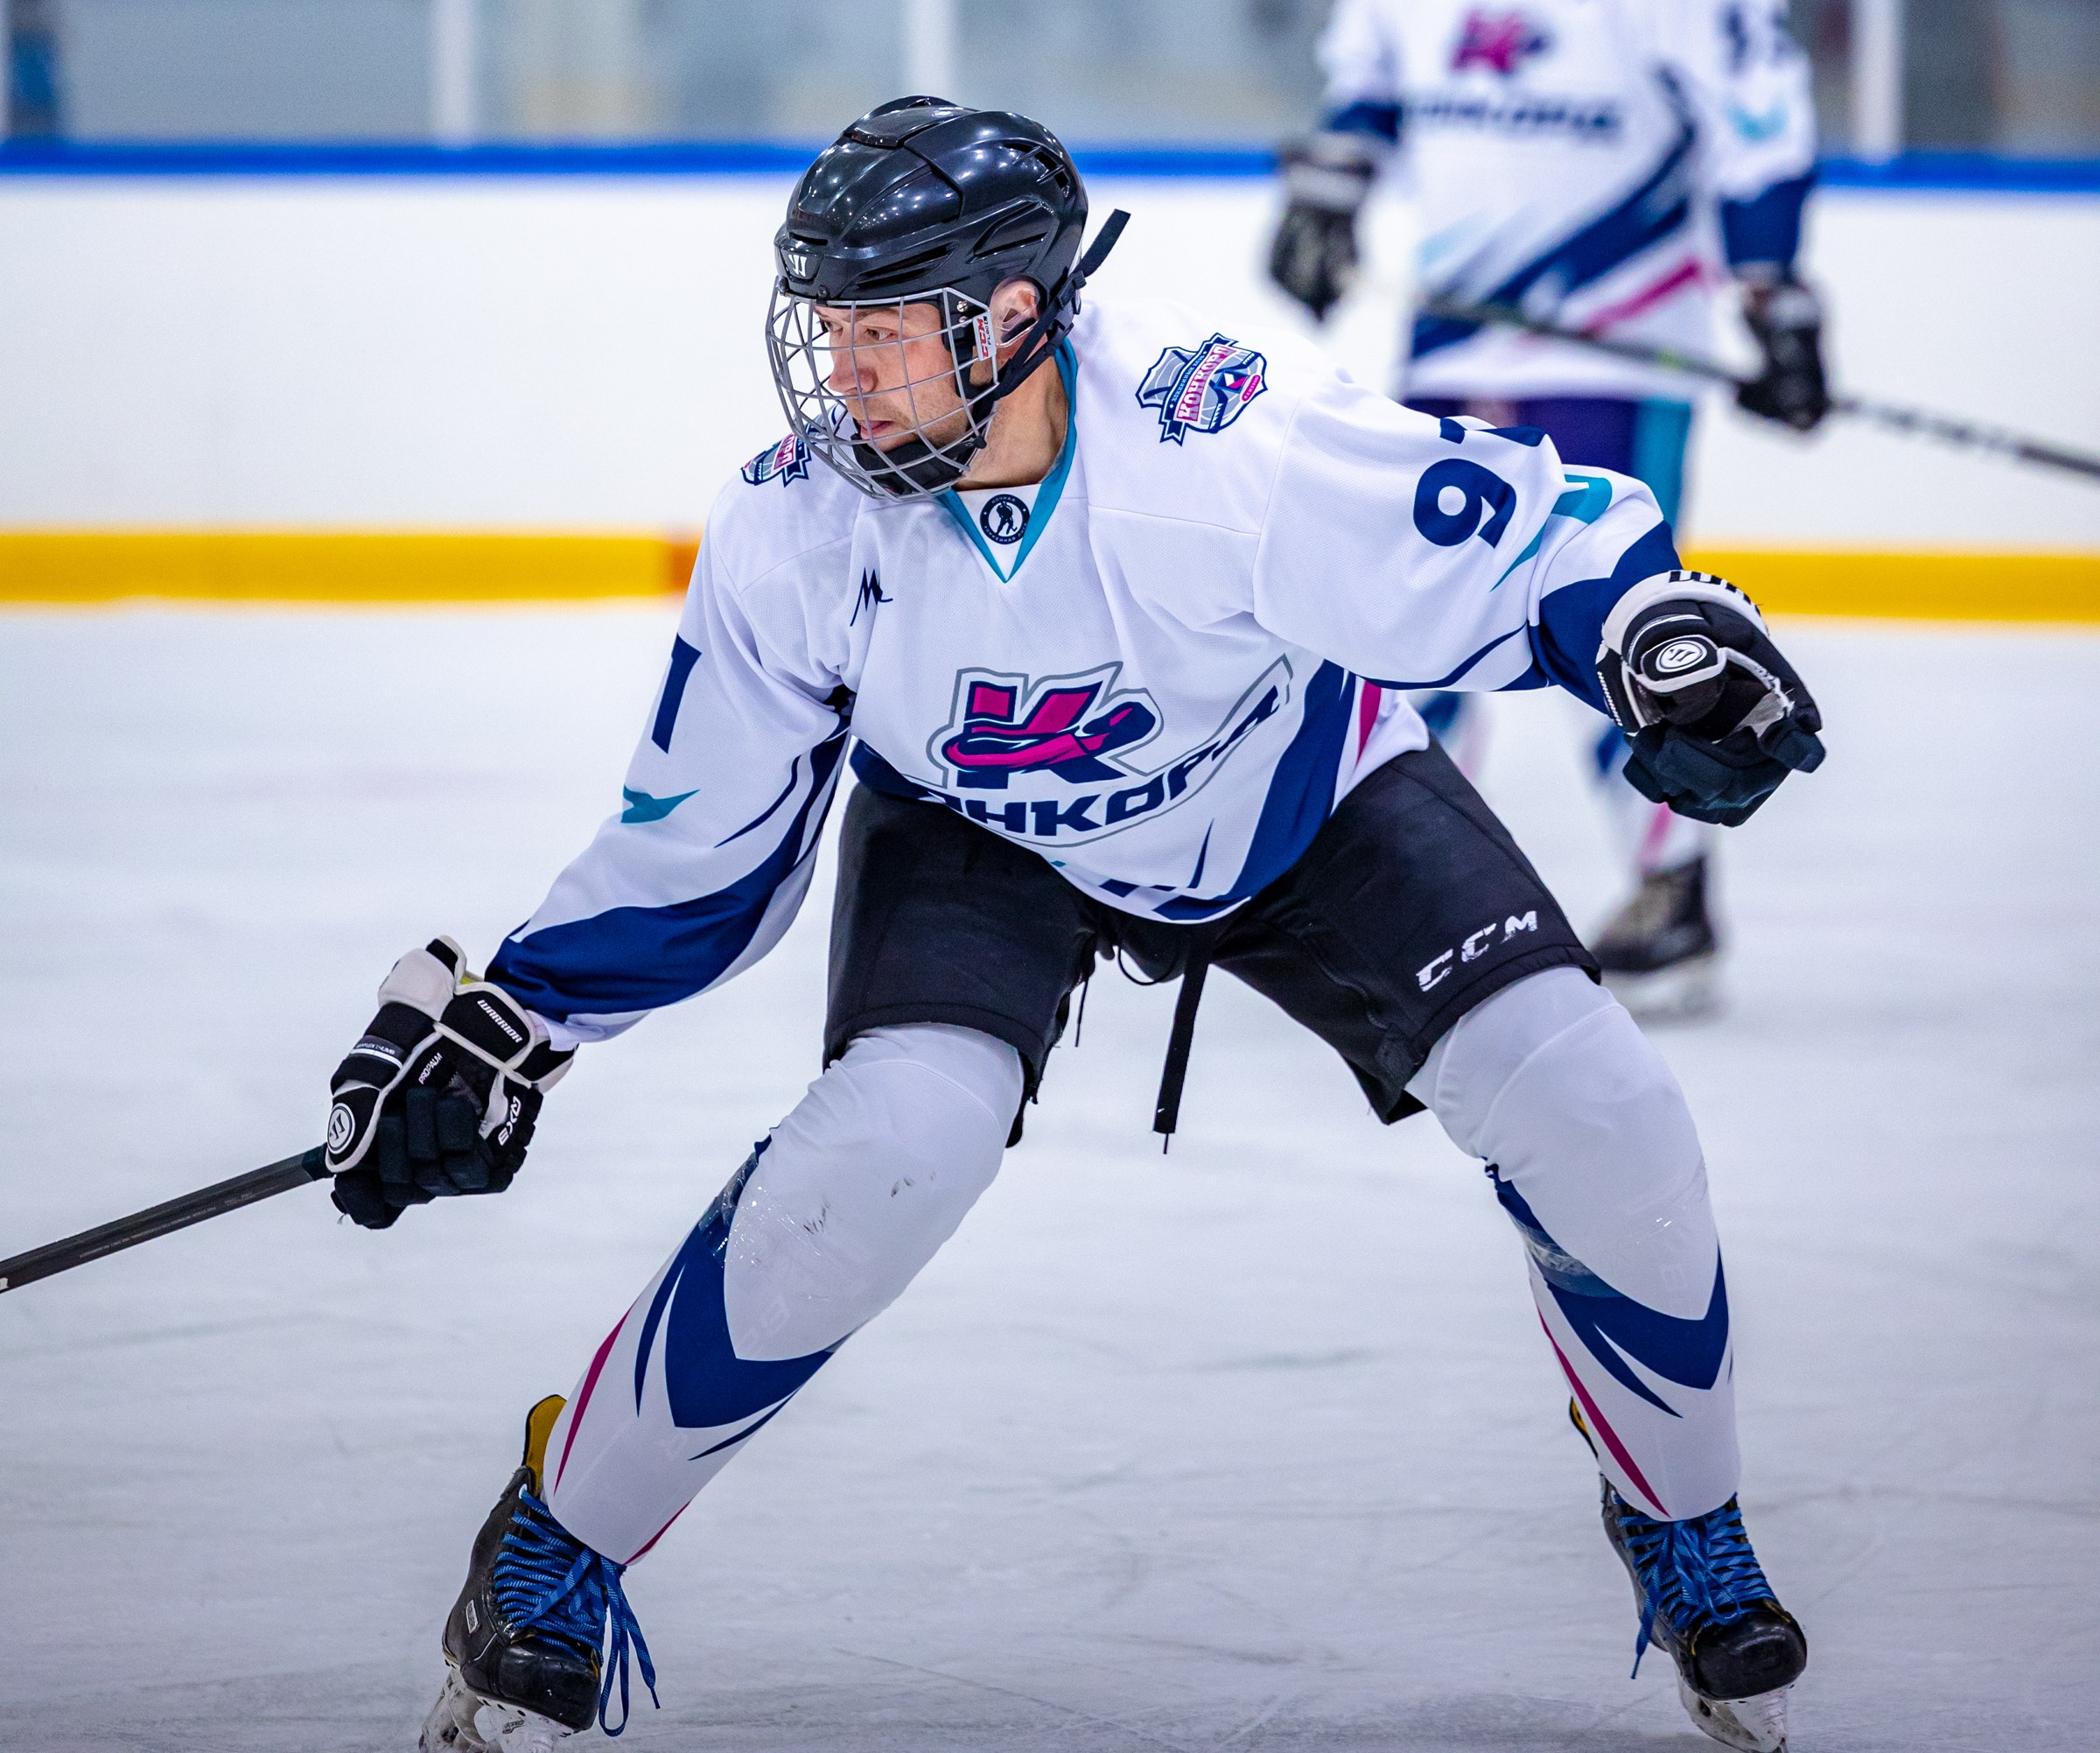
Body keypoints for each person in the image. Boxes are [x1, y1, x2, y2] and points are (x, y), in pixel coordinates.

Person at [325, 99, 1827, 1753]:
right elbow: (703, 842)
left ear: (1021, 314)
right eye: (829, 331)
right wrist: (517, 1016)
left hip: (1292, 789)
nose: (846, 375)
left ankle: (1682, 1514)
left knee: (1593, 1096)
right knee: (895, 1142)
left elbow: (1506, 532)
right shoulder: (796, 526)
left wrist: (1653, 627)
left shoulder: (1214, 441)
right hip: (980, 834)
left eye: (887, 332)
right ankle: (552, 1545)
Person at [1269, 0, 1829, 1013]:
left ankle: (1673, 885)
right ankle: (1405, 898)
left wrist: (1770, 293)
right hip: (1453, 346)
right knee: (1408, 632)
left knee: (1609, 621)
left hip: (1613, 346)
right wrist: (1326, 202)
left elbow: (1759, 127)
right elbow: (1368, 97)